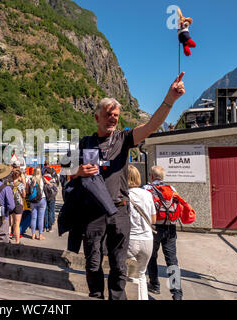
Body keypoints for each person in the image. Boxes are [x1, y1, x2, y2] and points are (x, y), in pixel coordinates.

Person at [65, 72, 185, 300]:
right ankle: (96, 295)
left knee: (119, 265)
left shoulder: (123, 139)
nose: (113, 119)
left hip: (119, 209)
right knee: (92, 263)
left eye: (116, 115)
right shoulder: (83, 144)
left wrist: (170, 99)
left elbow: (151, 126)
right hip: (92, 213)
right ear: (96, 117)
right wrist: (78, 171)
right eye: (109, 115)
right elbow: (66, 174)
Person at [143, 166, 184, 300]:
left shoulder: (147, 189)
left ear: (151, 176)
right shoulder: (172, 189)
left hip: (154, 227)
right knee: (172, 260)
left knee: (152, 256)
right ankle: (177, 293)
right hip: (170, 228)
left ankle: (154, 285)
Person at [127, 165, 156, 300]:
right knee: (142, 275)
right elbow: (153, 218)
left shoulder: (124, 194)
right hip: (147, 239)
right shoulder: (147, 193)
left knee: (131, 276)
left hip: (130, 240)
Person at [28, 167, 48, 240]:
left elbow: (27, 190)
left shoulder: (30, 179)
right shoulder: (42, 179)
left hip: (33, 200)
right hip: (42, 199)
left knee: (33, 218)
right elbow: (51, 185)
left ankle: (33, 235)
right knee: (41, 218)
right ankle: (40, 235)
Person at [10, 170, 26, 244]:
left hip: (11, 204)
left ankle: (9, 237)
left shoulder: (9, 184)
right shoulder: (21, 185)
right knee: (17, 224)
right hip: (18, 204)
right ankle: (17, 240)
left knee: (11, 222)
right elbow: (24, 195)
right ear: (19, 176)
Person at [43, 167, 57, 232]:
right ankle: (50, 227)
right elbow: (55, 189)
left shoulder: (42, 178)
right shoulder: (52, 179)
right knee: (51, 212)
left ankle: (45, 227)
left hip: (44, 197)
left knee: (45, 212)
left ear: (45, 171)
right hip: (51, 197)